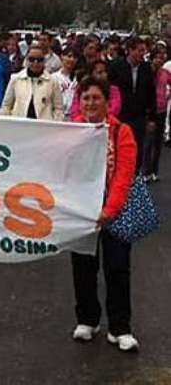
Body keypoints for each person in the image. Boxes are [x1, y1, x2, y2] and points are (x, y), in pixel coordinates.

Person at [70, 76, 139, 352]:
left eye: (96, 98)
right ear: (79, 102)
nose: (90, 103)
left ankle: (120, 327)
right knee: (83, 267)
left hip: (116, 210)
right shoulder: (69, 130)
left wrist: (109, 210)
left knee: (118, 268)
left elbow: (124, 175)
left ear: (107, 102)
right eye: (86, 98)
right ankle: (87, 319)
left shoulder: (121, 132)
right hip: (81, 211)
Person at [109, 37, 156, 169]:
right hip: (121, 115)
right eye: (139, 50)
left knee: (137, 149)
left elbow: (151, 94)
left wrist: (152, 118)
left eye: (144, 51)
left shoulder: (146, 68)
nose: (142, 54)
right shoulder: (116, 67)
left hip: (139, 116)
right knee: (119, 148)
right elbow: (110, 92)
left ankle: (134, 178)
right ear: (130, 50)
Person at [0, 46, 64, 121]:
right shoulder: (15, 79)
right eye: (32, 59)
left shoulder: (53, 81)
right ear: (27, 60)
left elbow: (58, 108)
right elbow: (6, 106)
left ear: (44, 61)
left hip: (44, 128)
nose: (35, 63)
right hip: (19, 126)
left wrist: (55, 125)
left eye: (39, 60)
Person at [142, 48, 170, 182]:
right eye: (157, 57)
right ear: (152, 58)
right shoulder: (147, 71)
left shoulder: (165, 73)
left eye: (161, 57)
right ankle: (145, 171)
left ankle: (154, 171)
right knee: (148, 142)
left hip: (162, 110)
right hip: (149, 111)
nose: (159, 60)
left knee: (158, 142)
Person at [51, 47, 79, 120]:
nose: (72, 59)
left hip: (75, 117)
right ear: (62, 56)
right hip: (58, 117)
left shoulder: (79, 78)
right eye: (69, 56)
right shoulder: (53, 78)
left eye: (75, 57)